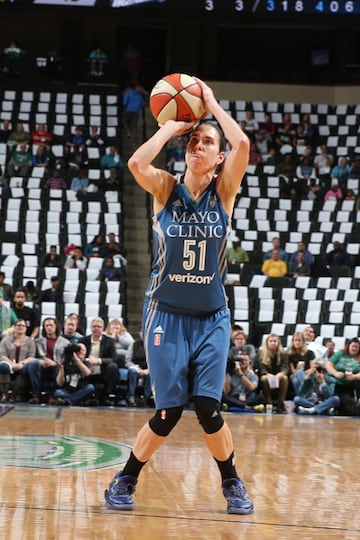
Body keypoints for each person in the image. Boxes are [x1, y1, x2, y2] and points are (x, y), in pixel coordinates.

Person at [104, 78, 254, 515]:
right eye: (194, 141)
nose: (198, 145)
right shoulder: (166, 189)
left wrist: (211, 106)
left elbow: (241, 141)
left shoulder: (223, 192)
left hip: (211, 316)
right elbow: (135, 162)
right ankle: (125, 478)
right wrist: (173, 126)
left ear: (219, 156)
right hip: (166, 314)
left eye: (206, 141)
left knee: (208, 408)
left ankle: (232, 483)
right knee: (169, 411)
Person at [22, 317, 69, 404]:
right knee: (33, 363)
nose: (49, 327)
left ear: (56, 327)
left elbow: (66, 359)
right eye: (46, 326)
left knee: (59, 367)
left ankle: (52, 396)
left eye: (51, 325)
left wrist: (55, 362)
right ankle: (36, 396)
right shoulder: (38, 341)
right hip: (42, 366)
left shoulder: (65, 342)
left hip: (56, 365)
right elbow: (33, 355)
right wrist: (40, 361)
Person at [79, 317, 119, 405]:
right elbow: (78, 357)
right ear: (90, 328)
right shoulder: (83, 340)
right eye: (94, 326)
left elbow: (114, 358)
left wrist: (99, 361)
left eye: (99, 327)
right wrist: (88, 361)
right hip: (86, 367)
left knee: (113, 367)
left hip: (103, 368)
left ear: (103, 328)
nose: (96, 328)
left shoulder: (109, 341)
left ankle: (105, 396)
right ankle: (86, 396)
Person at [0, 319, 35, 402]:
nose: (20, 327)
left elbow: (31, 356)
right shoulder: (6, 340)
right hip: (8, 363)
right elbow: (2, 355)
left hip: (23, 364)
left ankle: (14, 394)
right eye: (18, 325)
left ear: (26, 328)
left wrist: (21, 364)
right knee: (3, 366)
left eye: (23, 326)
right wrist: (12, 364)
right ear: (14, 327)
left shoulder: (30, 341)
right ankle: (4, 394)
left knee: (25, 369)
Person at [325, 338, 360, 416]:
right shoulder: (340, 353)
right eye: (353, 346)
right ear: (348, 346)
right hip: (338, 383)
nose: (354, 349)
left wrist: (354, 376)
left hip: (352, 384)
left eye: (356, 347)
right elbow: (329, 364)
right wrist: (335, 373)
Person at [105, 318, 135, 404]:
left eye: (117, 324)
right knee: (113, 359)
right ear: (109, 326)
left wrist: (118, 337)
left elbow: (131, 345)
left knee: (119, 357)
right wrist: (112, 338)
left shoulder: (126, 335)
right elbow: (105, 348)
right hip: (110, 360)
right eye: (113, 324)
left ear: (121, 326)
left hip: (123, 360)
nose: (115, 326)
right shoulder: (105, 335)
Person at [258, 333, 289, 414]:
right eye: (271, 341)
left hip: (279, 375)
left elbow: (285, 366)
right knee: (263, 379)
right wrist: (267, 374)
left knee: (285, 378)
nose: (273, 343)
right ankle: (269, 402)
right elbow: (261, 367)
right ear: (267, 343)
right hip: (267, 375)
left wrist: (281, 373)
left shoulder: (283, 353)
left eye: (275, 341)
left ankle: (280, 403)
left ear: (278, 343)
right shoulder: (261, 353)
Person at [127, 326, 152, 407]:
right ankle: (131, 397)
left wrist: (148, 370)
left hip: (149, 369)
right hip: (135, 367)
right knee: (132, 371)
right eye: (142, 331)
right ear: (139, 333)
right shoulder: (133, 345)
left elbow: (157, 362)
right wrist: (138, 369)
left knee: (152, 374)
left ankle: (146, 398)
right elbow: (128, 361)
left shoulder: (154, 346)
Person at [122, 81, 145, 146]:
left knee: (124, 121)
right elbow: (142, 104)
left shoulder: (128, 93)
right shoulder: (138, 94)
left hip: (128, 110)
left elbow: (124, 102)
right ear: (135, 87)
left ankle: (128, 132)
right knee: (135, 127)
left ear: (129, 87)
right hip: (136, 111)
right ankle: (134, 142)